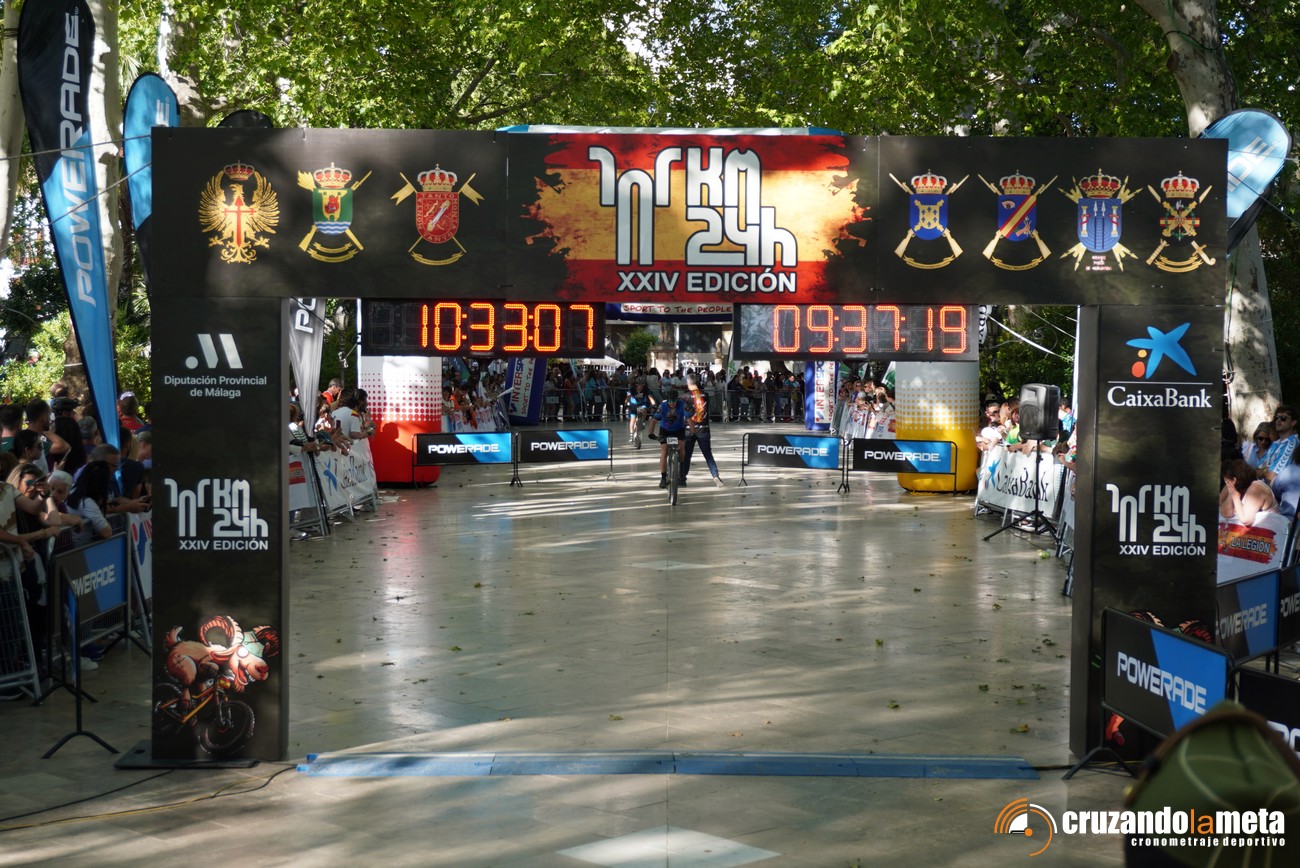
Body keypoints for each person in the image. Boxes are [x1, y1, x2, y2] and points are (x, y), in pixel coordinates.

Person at [683, 372, 724, 487]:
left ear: (688, 383)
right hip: (704, 429)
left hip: (689, 429)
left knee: (687, 455)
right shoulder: (705, 395)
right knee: (708, 454)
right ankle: (715, 476)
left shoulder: (685, 397)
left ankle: (682, 477)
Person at [1220, 458, 1278, 526]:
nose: (1226, 482)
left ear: (1234, 480)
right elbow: (1226, 514)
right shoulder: (1235, 488)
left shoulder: (1256, 489)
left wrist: (1236, 498)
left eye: (1227, 480)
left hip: (1270, 528)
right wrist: (1232, 493)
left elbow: (1246, 520)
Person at [652, 388, 688, 489]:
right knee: (664, 451)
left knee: (682, 447)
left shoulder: (683, 404)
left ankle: (681, 470)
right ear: (667, 400)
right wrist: (651, 433)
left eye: (674, 401)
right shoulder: (662, 406)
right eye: (670, 401)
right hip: (665, 430)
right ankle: (663, 477)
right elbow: (654, 420)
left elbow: (689, 419)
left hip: (679, 429)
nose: (672, 403)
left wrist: (693, 432)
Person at [1258, 405, 1298, 484]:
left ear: (1293, 422)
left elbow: (1272, 476)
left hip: (1276, 489)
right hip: (1262, 484)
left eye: (1283, 418)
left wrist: (1263, 470)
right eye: (1277, 418)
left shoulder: (1291, 444)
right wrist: (1264, 471)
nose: (1278, 421)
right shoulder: (1275, 443)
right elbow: (1258, 467)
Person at [624, 381, 654, 447]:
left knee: (644, 409)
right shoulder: (632, 389)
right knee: (632, 420)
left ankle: (642, 421)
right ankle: (631, 435)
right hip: (634, 405)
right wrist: (626, 403)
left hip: (642, 404)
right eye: (640, 385)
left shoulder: (646, 389)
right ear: (636, 385)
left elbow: (650, 397)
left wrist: (653, 404)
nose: (641, 387)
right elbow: (628, 397)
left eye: (642, 385)